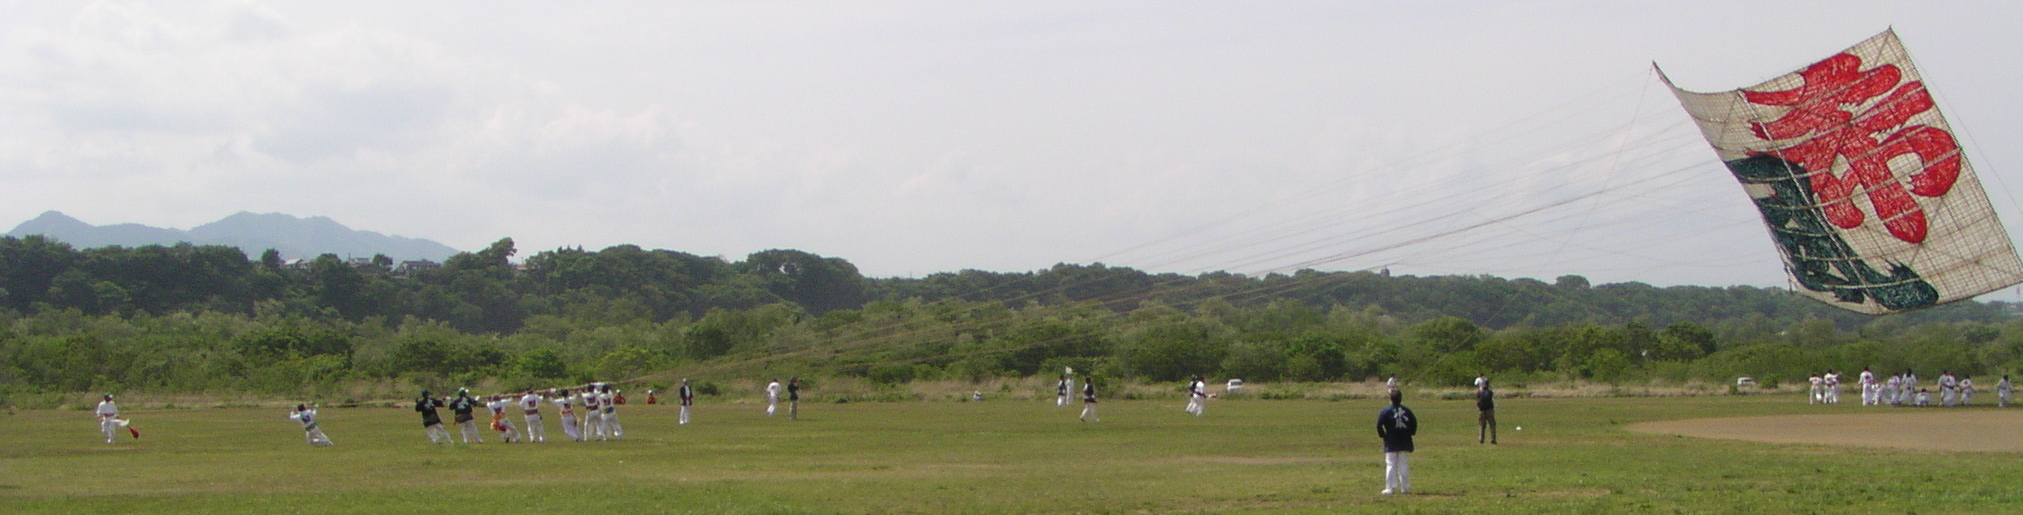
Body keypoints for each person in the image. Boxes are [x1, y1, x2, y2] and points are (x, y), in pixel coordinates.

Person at [1376, 389, 1418, 495]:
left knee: (1390, 464)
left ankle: (1390, 487)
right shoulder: (1407, 411)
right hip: (1404, 441)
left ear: (1390, 399)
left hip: (1391, 441)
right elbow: (1414, 422)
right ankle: (1405, 487)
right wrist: (1411, 433)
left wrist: (1383, 435)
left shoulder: (1386, 411)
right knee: (1403, 464)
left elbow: (1379, 424)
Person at [1476, 379, 1497, 445]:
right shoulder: (1490, 392)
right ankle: (1493, 439)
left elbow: (1478, 399)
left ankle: (1481, 439)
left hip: (1482, 410)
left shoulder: (1479, 392)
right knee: (1492, 425)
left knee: (1482, 425)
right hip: (1489, 410)